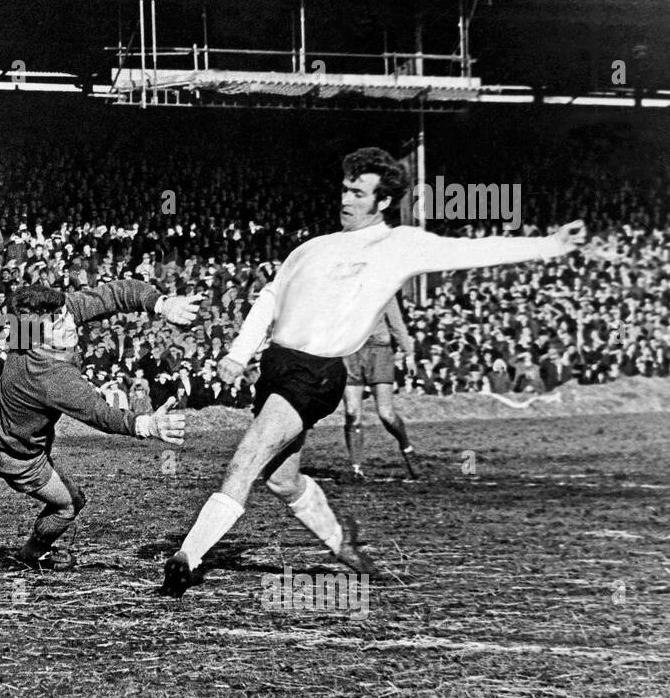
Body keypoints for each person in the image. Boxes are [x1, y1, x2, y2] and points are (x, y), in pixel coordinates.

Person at [159, 147, 587, 596]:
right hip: (277, 368)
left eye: (358, 193)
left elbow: (472, 251)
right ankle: (345, 547)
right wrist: (238, 353)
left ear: (382, 202)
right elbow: (270, 297)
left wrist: (551, 245)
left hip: (318, 373)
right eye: (345, 189)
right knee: (283, 479)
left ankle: (186, 558)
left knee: (244, 461)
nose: (346, 199)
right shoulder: (313, 247)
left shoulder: (398, 245)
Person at [0, 281, 201, 569]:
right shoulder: (51, 376)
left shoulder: (25, 330)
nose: (69, 321)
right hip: (21, 459)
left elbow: (112, 294)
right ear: (38, 335)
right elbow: (100, 414)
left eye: (63, 313)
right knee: (71, 502)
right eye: (57, 321)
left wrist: (161, 303)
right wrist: (146, 425)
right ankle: (34, 552)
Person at [342, 295, 419, 481]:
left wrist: (409, 355)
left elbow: (397, 325)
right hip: (351, 351)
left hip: (380, 351)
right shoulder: (344, 289)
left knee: (386, 413)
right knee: (352, 413)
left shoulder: (385, 290)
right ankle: (356, 468)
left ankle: (406, 447)